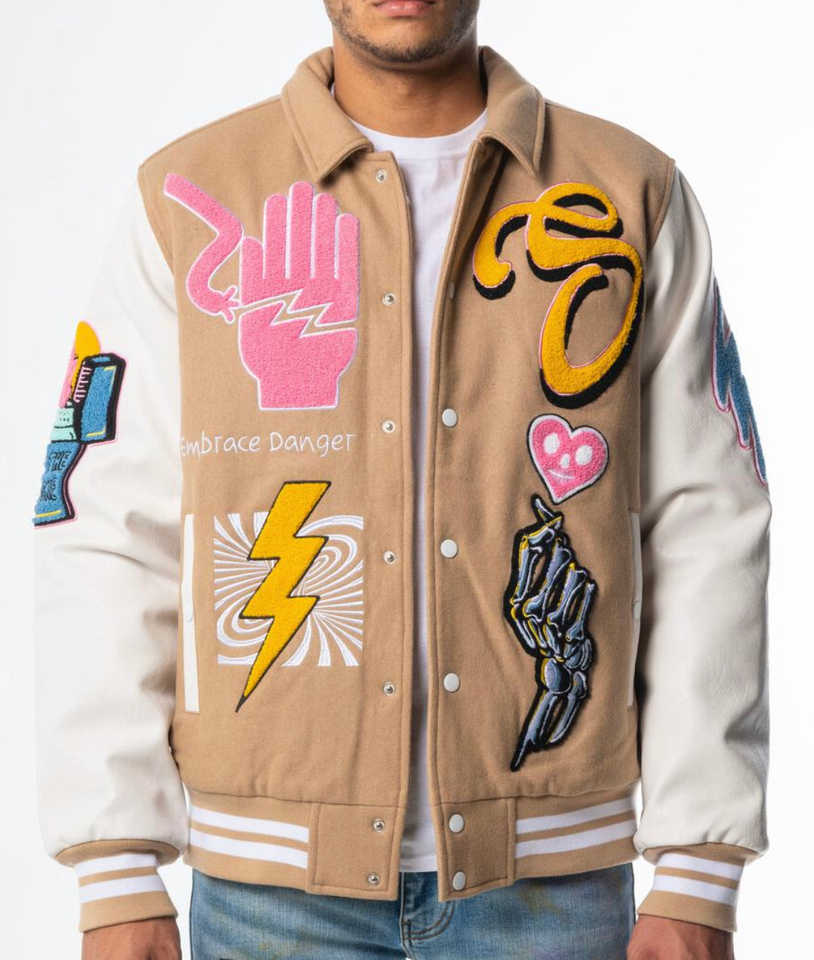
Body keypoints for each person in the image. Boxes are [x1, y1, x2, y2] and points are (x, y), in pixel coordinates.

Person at [33, 1, 770, 958]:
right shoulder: (189, 197)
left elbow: (708, 520)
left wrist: (700, 871)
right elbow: (105, 526)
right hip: (268, 898)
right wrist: (115, 867)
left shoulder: (629, 192)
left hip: (552, 886)